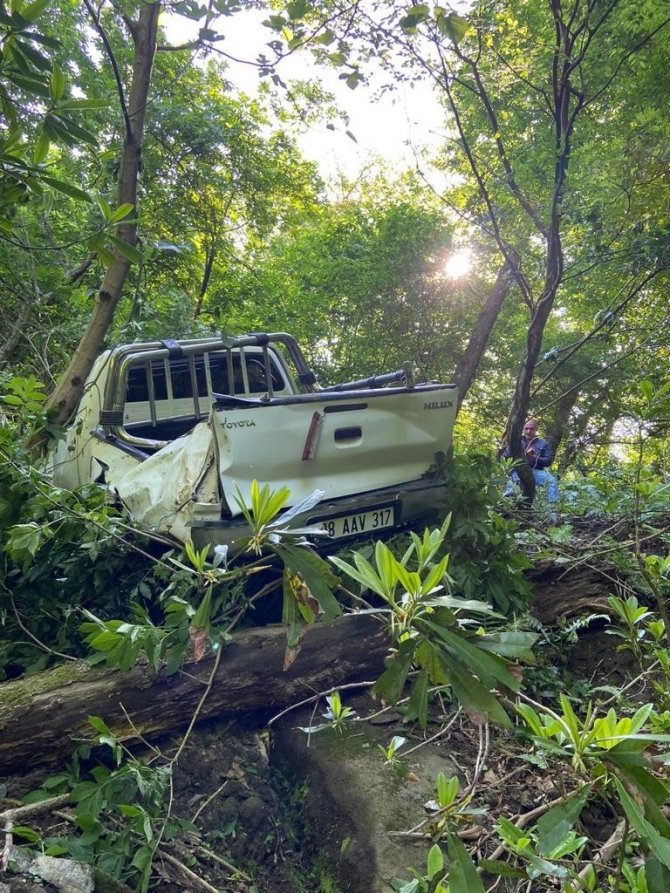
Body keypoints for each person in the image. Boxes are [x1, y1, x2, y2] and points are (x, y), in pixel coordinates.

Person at [505, 419, 559, 503]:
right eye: (526, 428)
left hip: (535, 471)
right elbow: (505, 456)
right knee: (513, 484)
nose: (529, 431)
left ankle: (552, 507)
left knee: (551, 480)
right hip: (517, 470)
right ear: (523, 429)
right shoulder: (516, 441)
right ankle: (505, 503)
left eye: (531, 429)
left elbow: (548, 461)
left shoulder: (543, 443)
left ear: (536, 430)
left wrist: (534, 457)